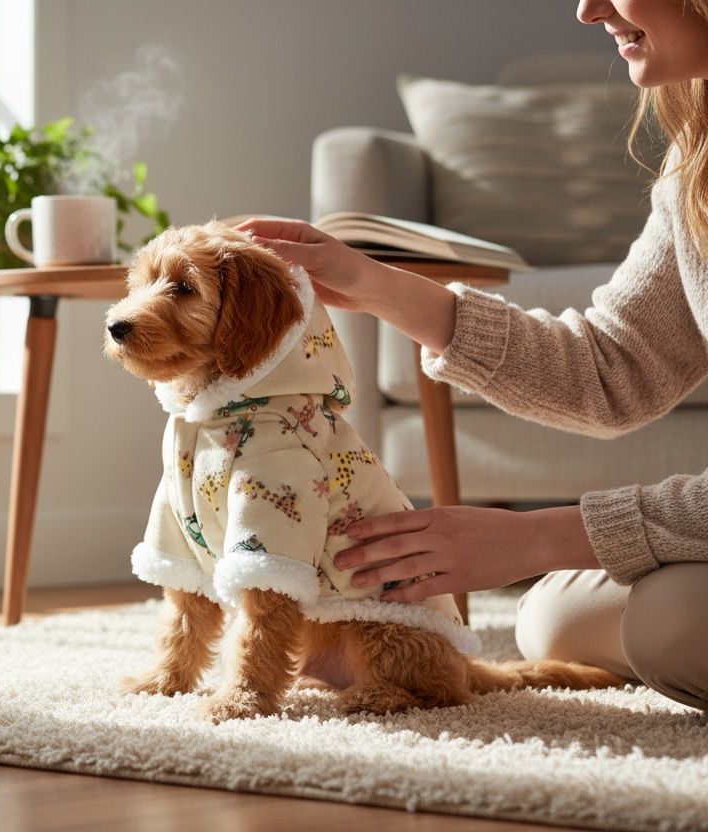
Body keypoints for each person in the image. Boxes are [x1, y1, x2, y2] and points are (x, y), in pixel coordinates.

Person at [237, 0, 708, 712]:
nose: (587, 11)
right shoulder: (695, 165)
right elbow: (615, 369)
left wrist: (538, 537)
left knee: (670, 628)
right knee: (553, 619)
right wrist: (381, 286)